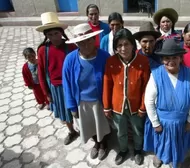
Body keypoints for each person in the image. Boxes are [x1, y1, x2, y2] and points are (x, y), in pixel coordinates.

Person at [144, 38, 190, 168]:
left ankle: (176, 158)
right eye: (167, 58)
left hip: (182, 122)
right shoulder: (156, 74)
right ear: (162, 59)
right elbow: (149, 101)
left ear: (180, 58)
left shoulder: (188, 73)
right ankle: (160, 155)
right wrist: (155, 123)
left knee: (179, 143)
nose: (171, 61)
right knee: (162, 142)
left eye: (175, 57)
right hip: (163, 122)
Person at [62, 23, 111, 160]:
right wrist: (72, 106)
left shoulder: (104, 56)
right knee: (89, 125)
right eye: (81, 42)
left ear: (94, 39)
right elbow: (67, 84)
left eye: (88, 40)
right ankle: (96, 143)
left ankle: (104, 144)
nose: (85, 44)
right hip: (82, 102)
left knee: (102, 124)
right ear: (77, 44)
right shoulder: (70, 59)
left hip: (100, 101)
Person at [103, 28, 150, 165]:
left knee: (137, 130)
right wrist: (107, 106)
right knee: (120, 131)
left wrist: (143, 107)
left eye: (126, 44)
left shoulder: (142, 61)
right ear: (115, 47)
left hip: (136, 106)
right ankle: (123, 150)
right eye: (119, 45)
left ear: (133, 45)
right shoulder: (111, 61)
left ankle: (138, 150)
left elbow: (146, 87)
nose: (123, 48)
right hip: (117, 105)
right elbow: (107, 84)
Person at [36, 12, 78, 145]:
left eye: (56, 33)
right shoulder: (43, 50)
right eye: (50, 35)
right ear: (46, 36)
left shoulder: (71, 46)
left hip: (72, 86)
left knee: (77, 111)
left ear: (61, 32)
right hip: (56, 88)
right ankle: (72, 131)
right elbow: (41, 73)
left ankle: (86, 129)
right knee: (64, 113)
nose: (54, 37)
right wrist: (46, 93)